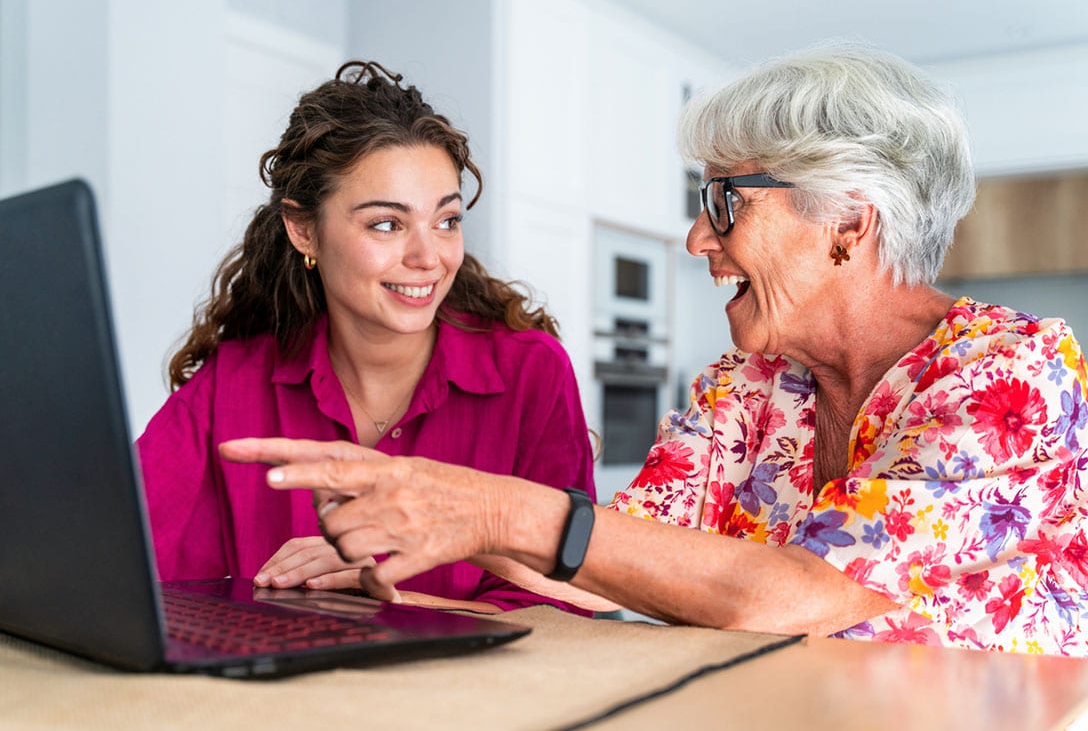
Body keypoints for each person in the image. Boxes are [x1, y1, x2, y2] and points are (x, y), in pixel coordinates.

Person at [220, 43, 1088, 655]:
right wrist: (418, 533)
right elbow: (607, 564)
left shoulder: (1008, 376)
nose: (696, 240)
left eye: (725, 201)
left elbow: (793, 593)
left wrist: (487, 511)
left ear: (849, 222)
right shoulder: (750, 386)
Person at [136, 60, 596, 614]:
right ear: (303, 228)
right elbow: (114, 554)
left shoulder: (532, 373)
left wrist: (392, 600)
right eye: (386, 224)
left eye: (446, 221)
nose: (429, 258)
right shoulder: (232, 382)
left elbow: (567, 607)